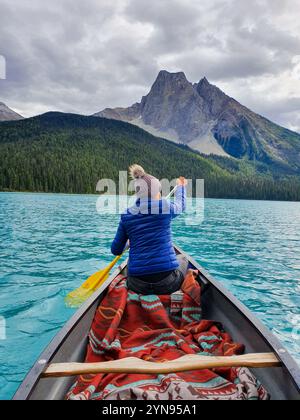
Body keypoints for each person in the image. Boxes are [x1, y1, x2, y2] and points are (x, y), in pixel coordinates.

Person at [111, 164, 188, 295]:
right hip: (167, 283)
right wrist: (180, 187)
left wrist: (128, 243)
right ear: (156, 192)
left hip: (137, 285)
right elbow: (181, 205)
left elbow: (116, 250)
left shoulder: (127, 215)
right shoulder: (165, 207)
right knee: (184, 259)